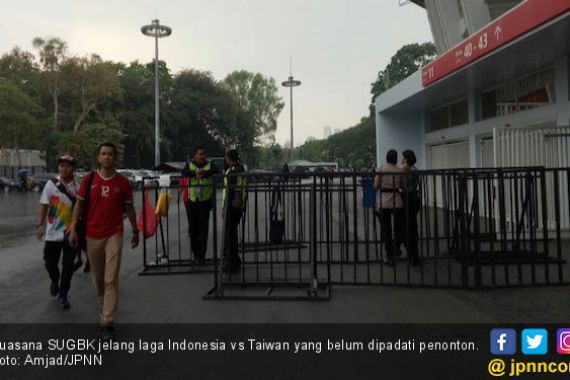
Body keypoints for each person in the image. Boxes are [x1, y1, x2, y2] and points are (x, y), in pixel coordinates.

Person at [69, 143, 139, 341]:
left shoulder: (123, 183)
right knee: (99, 278)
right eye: (103, 154)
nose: (106, 157)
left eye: (110, 154)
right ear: (98, 157)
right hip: (92, 235)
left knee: (111, 278)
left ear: (115, 158)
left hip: (114, 234)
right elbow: (79, 206)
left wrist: (135, 230)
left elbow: (130, 209)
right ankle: (104, 302)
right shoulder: (89, 180)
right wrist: (73, 229)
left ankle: (106, 322)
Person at [36, 154, 79, 310]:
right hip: (52, 233)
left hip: (71, 232)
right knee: (49, 262)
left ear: (73, 169)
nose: (64, 168)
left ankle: (63, 294)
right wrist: (40, 225)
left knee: (68, 266)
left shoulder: (78, 186)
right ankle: (55, 279)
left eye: (67, 166)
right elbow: (44, 205)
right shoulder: (51, 185)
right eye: (61, 165)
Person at [181, 146, 219, 264]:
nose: (202, 156)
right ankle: (196, 253)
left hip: (205, 201)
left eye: (204, 154)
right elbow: (184, 173)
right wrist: (195, 173)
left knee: (204, 229)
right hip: (192, 201)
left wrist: (204, 173)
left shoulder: (210, 164)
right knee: (193, 230)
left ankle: (201, 256)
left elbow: (216, 171)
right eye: (200, 154)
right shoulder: (190, 165)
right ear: (195, 156)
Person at [374, 149, 403, 266]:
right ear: (395, 158)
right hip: (397, 201)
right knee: (399, 228)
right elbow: (403, 186)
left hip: (384, 202)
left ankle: (389, 255)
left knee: (387, 230)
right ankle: (397, 248)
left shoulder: (381, 169)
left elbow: (376, 185)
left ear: (387, 158)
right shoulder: (399, 170)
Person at [222, 149, 246, 274]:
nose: (224, 160)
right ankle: (234, 261)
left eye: (226, 158)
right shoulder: (238, 168)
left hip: (232, 206)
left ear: (229, 158)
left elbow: (230, 190)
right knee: (232, 235)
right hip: (236, 205)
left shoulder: (235, 170)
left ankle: (232, 263)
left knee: (230, 236)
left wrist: (225, 208)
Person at [401, 150, 421, 266]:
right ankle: (413, 253)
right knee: (411, 227)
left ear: (407, 158)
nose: (401, 159)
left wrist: (403, 168)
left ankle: (413, 254)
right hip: (413, 197)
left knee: (408, 227)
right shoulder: (414, 169)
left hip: (408, 198)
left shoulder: (408, 170)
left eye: (403, 157)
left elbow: (402, 184)